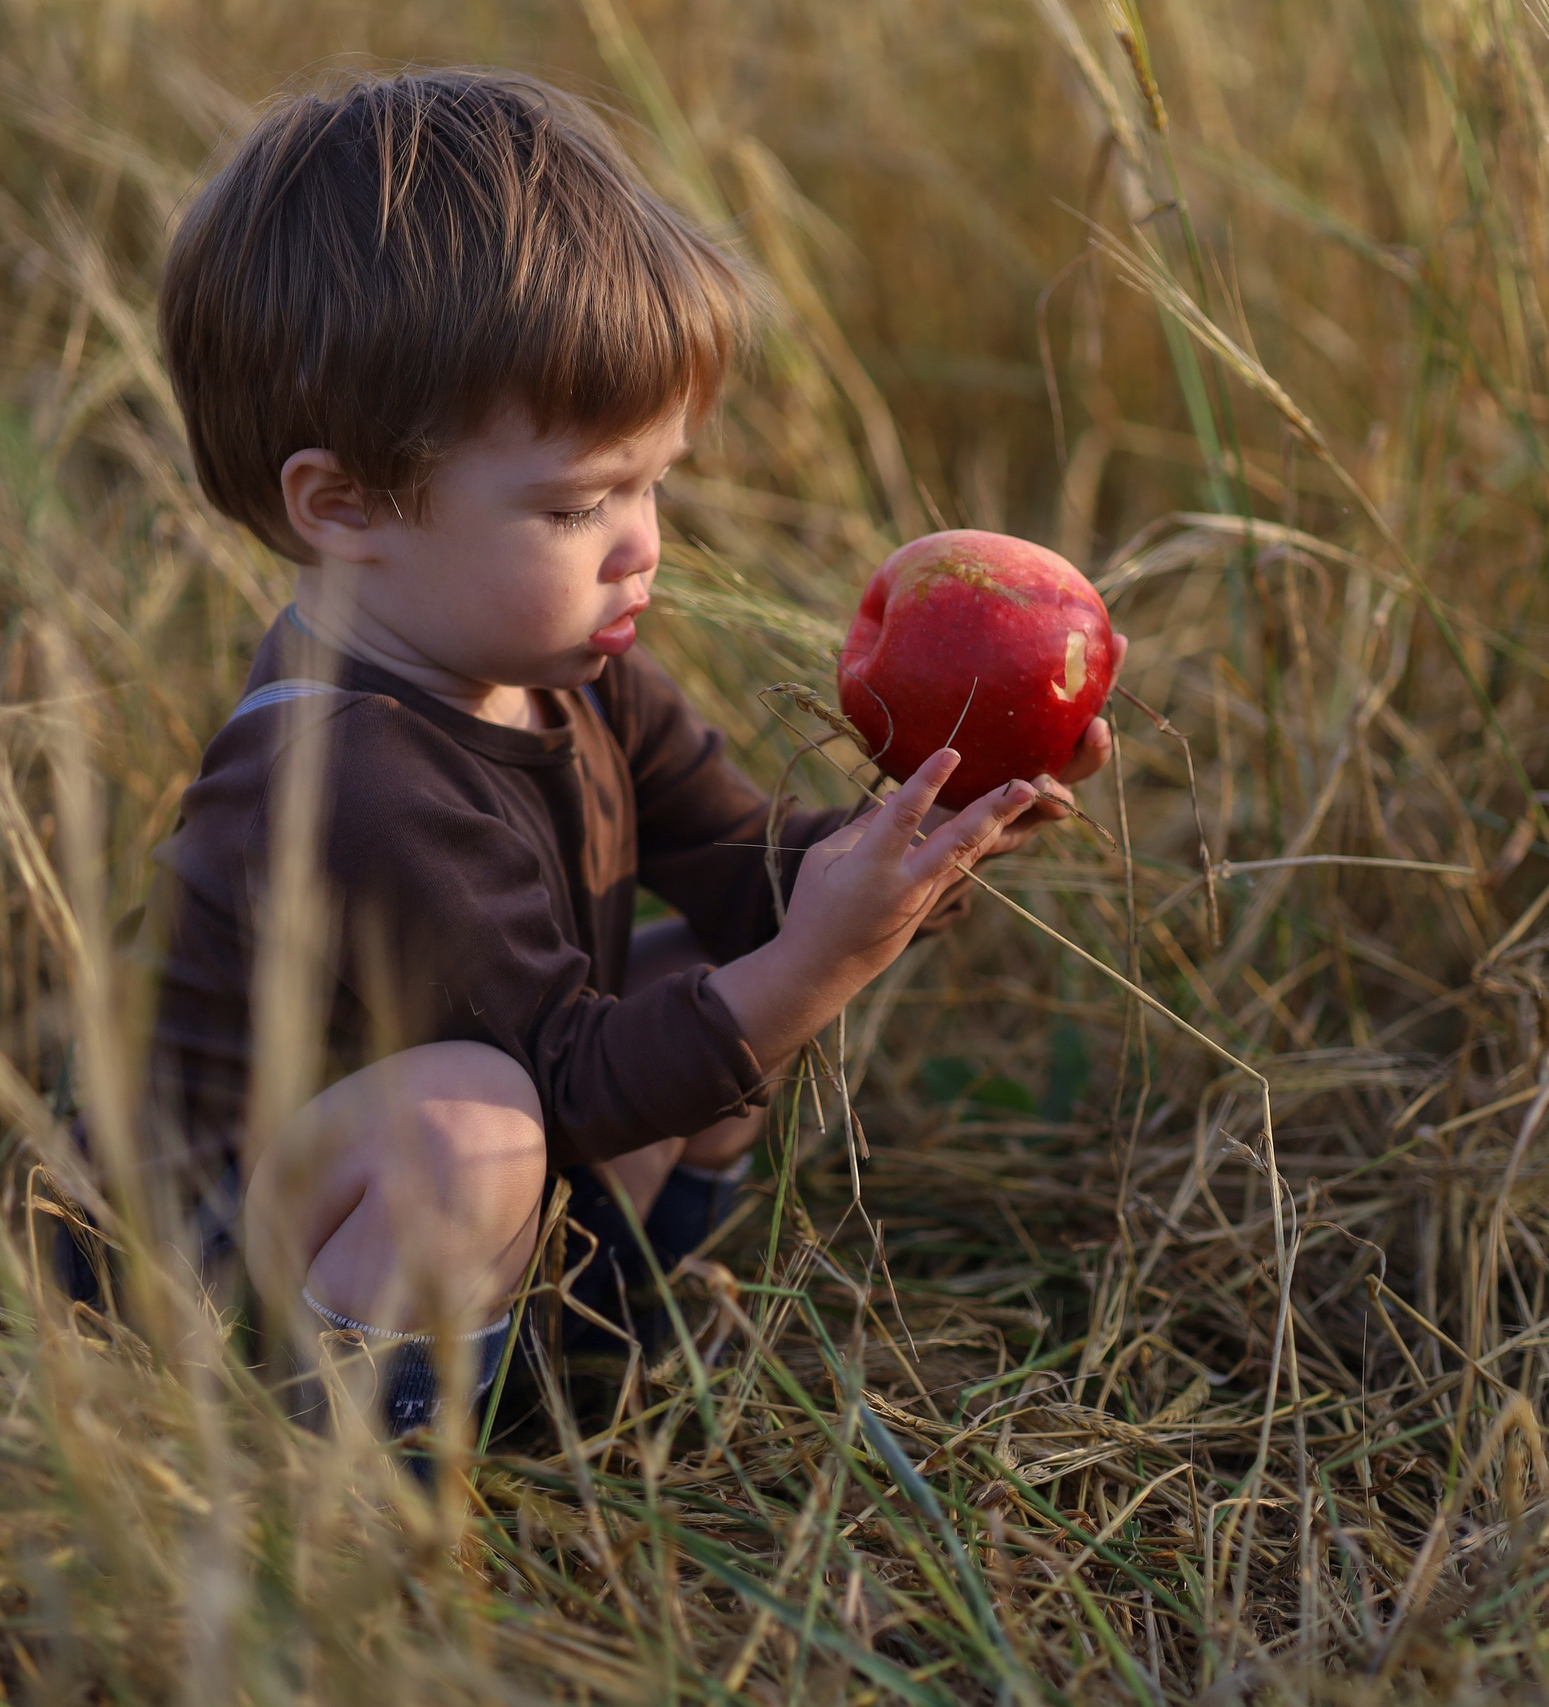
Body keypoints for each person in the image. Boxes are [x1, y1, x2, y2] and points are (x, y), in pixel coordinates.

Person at [141, 68, 1116, 1441]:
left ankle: (596, 1367)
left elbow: (750, 885)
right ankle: (371, 1487)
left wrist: (928, 831)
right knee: (469, 1122)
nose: (641, 540)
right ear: (343, 503)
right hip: (203, 1274)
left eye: (653, 480)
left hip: (458, 1189)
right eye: (576, 503)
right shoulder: (349, 781)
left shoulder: (574, 682)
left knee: (701, 993)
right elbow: (577, 1081)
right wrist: (818, 960)